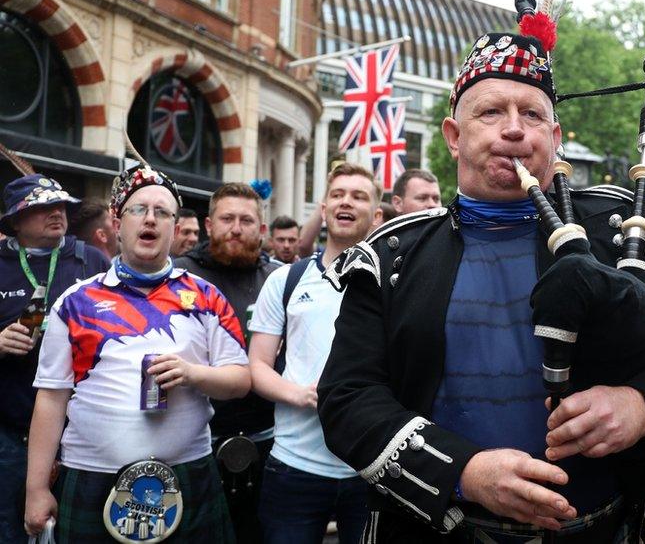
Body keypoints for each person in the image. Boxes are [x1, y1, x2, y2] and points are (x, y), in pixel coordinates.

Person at [317, 29, 645, 542]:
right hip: (439, 530)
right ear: (453, 135)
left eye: (532, 115)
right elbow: (347, 397)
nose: (514, 130)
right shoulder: (393, 254)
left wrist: (643, 404)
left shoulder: (623, 227)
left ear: (554, 139)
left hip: (606, 528)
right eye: (490, 112)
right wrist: (464, 472)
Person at [23, 165, 250, 542]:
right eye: (138, 209)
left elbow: (240, 381)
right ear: (117, 223)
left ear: (176, 230)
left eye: (162, 213)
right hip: (91, 478)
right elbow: (51, 397)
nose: (150, 219)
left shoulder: (207, 297)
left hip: (188, 477)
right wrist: (36, 489)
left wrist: (194, 374)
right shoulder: (75, 302)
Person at [249, 163, 381, 544]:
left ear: (375, 215)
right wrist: (301, 394)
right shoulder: (285, 280)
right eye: (338, 194)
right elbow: (256, 365)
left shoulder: (394, 285)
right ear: (323, 210)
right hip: (293, 468)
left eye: (358, 196)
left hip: (369, 469)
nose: (346, 202)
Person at [0, 175, 109, 543]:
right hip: (9, 433)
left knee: (79, 531)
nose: (57, 213)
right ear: (16, 220)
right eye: (43, 207)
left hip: (78, 435)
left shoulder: (90, 259)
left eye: (61, 205)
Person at [174, 183, 280, 543]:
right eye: (227, 218)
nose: (236, 228)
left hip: (268, 440)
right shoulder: (177, 277)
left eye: (246, 220)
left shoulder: (279, 280)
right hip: (195, 443)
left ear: (262, 230)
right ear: (208, 224)